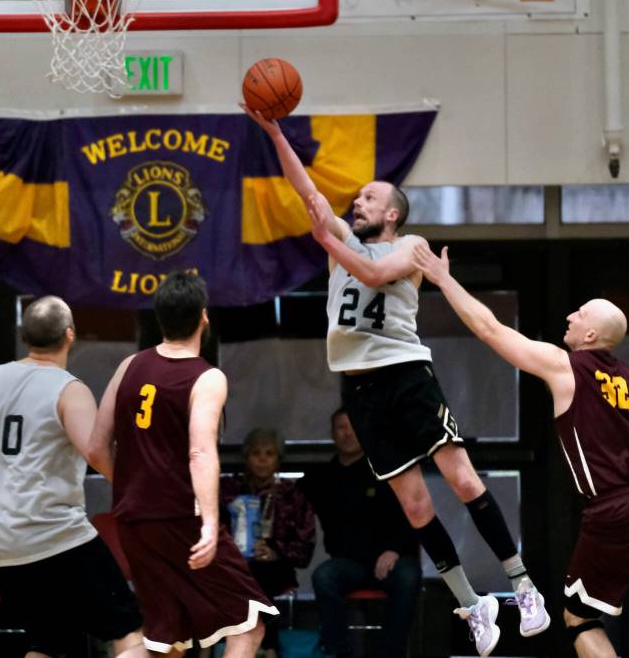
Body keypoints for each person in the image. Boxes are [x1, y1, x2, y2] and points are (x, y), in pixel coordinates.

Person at [243, 105, 548, 657]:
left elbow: (375, 275)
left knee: (462, 480)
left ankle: (523, 585)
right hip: (361, 390)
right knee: (413, 507)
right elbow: (306, 192)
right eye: (355, 198)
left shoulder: (410, 247)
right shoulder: (342, 237)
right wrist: (274, 134)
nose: (355, 203)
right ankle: (472, 602)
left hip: (407, 374)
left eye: (367, 198)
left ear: (392, 213)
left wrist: (328, 244)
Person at [412, 243, 629, 658]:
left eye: (580, 313)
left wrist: (443, 280)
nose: (569, 315)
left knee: (579, 619)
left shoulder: (565, 366)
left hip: (615, 507)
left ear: (590, 335)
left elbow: (490, 329)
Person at [0, 296, 146, 658]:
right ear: (70, 335)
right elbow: (95, 452)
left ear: (23, 335)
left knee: (49, 642)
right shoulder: (69, 389)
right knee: (126, 631)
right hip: (53, 534)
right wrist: (137, 493)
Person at [88, 271, 279, 657]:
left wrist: (131, 486)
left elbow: (94, 447)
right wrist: (209, 522)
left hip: (132, 521)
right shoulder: (206, 378)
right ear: (203, 317)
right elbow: (200, 452)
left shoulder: (129, 367)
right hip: (179, 518)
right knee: (251, 623)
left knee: (165, 644)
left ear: (160, 319)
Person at [299, 407, 422, 658]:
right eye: (341, 428)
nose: (347, 433)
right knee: (324, 576)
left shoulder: (386, 470)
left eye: (352, 427)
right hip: (348, 564)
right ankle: (338, 652)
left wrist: (394, 549)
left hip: (390, 561)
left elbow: (414, 515)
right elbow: (289, 498)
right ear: (332, 434)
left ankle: (392, 653)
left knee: (409, 576)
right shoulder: (322, 478)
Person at [219, 427, 316, 658]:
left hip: (276, 567)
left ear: (279, 459)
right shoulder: (228, 490)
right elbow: (213, 530)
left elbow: (306, 546)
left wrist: (275, 551)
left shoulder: (292, 494)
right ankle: (268, 648)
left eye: (269, 454)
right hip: (232, 566)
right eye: (256, 453)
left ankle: (264, 647)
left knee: (258, 575)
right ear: (246, 457)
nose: (262, 460)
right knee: (242, 575)